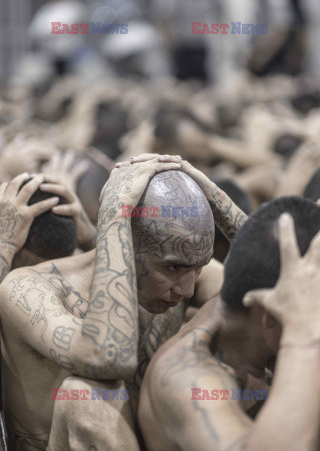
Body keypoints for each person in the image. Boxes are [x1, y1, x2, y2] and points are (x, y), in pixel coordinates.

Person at [1, 155, 242, 450]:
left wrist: (214, 197)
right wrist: (114, 215)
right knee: (87, 399)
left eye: (200, 267)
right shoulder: (27, 289)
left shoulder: (181, 269)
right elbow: (109, 357)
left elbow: (278, 292)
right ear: (121, 242)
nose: (188, 289)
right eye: (174, 268)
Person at [138, 196, 320, 451]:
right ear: (272, 317)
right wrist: (304, 338)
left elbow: (271, 240)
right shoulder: (188, 380)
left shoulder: (247, 291)